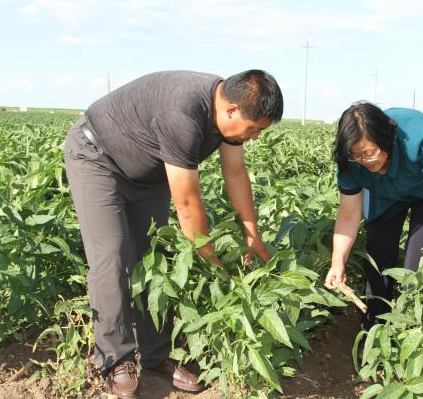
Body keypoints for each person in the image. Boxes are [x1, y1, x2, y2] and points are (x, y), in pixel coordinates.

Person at [64, 69, 283, 398]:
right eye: (254, 129)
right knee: (112, 256)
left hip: (147, 177)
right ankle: (115, 359)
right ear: (233, 109)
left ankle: (155, 358)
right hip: (97, 158)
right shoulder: (183, 113)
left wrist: (252, 235)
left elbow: (235, 173)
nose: (255, 137)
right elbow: (187, 202)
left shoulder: (227, 119)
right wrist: (210, 258)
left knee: (154, 257)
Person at [323, 101, 423, 329]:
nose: (364, 161)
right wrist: (338, 260)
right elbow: (348, 214)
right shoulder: (350, 162)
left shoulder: (418, 135)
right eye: (357, 156)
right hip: (385, 192)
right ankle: (374, 330)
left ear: (387, 141)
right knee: (377, 251)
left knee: (419, 263)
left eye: (369, 153)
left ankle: (416, 329)